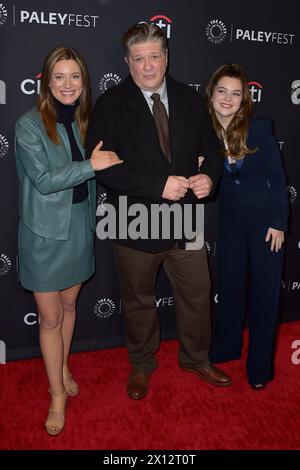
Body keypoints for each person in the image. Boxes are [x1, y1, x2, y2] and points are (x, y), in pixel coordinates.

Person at [86, 23, 232, 401]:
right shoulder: (111, 103)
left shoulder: (189, 98)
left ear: (166, 58)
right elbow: (103, 167)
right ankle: (142, 364)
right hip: (132, 222)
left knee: (199, 295)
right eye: (139, 59)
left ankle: (196, 359)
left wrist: (209, 178)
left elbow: (212, 150)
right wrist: (157, 186)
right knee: (138, 302)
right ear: (127, 62)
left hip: (184, 220)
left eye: (154, 56)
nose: (148, 66)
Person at [15, 45, 122, 435]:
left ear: (84, 81)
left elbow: (111, 163)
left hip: (79, 228)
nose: (67, 84)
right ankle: (56, 394)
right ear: (46, 82)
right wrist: (90, 165)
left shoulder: (84, 121)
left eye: (75, 76)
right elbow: (43, 181)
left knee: (70, 304)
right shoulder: (28, 125)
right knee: (50, 317)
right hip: (44, 235)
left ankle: (61, 363)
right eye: (58, 77)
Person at [206, 64, 289, 390]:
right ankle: (225, 348)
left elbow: (279, 177)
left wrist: (279, 223)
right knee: (229, 287)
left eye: (236, 93)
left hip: (266, 223)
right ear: (211, 93)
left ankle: (259, 369)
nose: (227, 99)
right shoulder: (205, 131)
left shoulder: (259, 128)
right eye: (222, 91)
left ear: (245, 99)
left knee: (264, 296)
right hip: (229, 223)